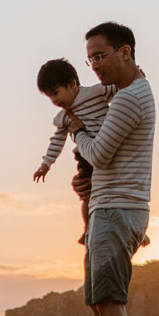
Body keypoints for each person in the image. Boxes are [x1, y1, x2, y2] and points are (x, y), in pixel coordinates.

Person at [64, 21, 155, 316]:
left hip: (118, 208)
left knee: (108, 299)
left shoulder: (129, 99)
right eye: (90, 59)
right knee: (101, 303)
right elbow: (105, 160)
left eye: (101, 56)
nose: (95, 66)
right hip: (112, 204)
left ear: (126, 52)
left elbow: (99, 154)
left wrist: (77, 131)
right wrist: (87, 183)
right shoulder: (130, 91)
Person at [33, 58, 115, 245]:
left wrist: (138, 78)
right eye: (49, 97)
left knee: (113, 190)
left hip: (107, 146)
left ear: (72, 84)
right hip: (85, 156)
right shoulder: (63, 117)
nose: (54, 100)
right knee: (88, 194)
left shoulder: (96, 92)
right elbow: (57, 141)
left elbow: (119, 88)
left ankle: (136, 231)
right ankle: (87, 229)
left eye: (56, 93)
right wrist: (46, 164)